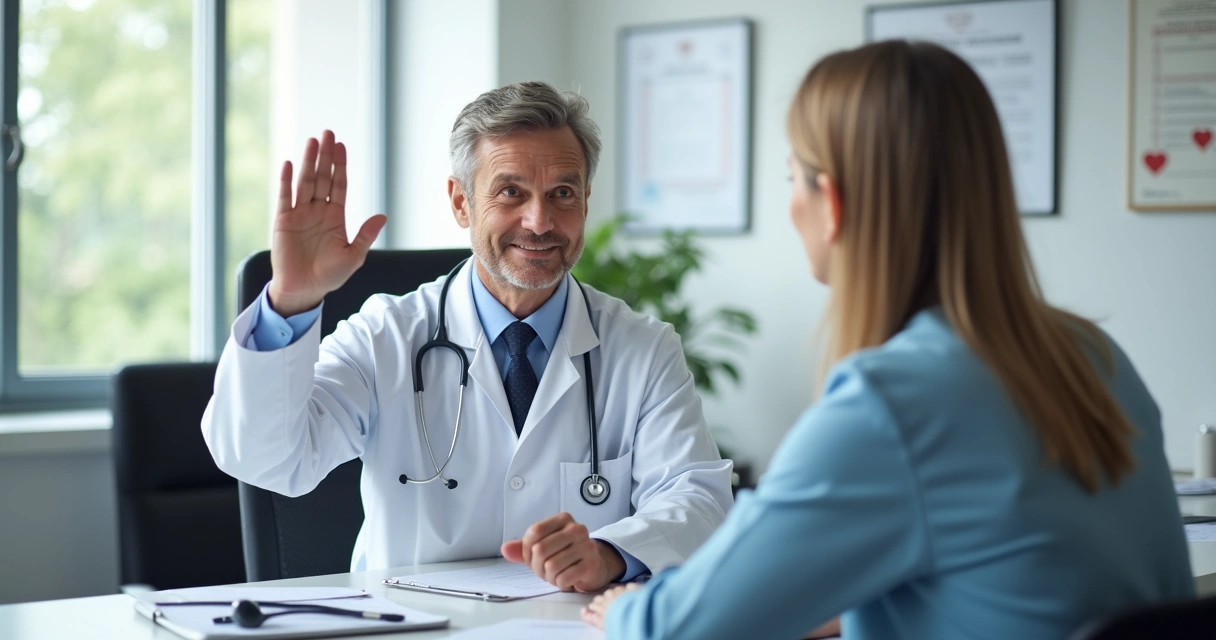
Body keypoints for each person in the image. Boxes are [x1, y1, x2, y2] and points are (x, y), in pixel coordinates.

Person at [582, 40, 1194, 639]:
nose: (791, 203)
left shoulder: (896, 402)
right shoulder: (1094, 355)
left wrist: (625, 613)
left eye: (793, 177)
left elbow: (684, 628)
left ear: (835, 204)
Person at [201, 81, 733, 592]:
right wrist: (290, 301)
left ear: (586, 202)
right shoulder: (385, 335)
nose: (540, 219)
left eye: (562, 193)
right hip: (413, 627)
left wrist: (611, 554)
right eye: (510, 191)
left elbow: (698, 499)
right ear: (461, 203)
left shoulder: (642, 349)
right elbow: (270, 459)